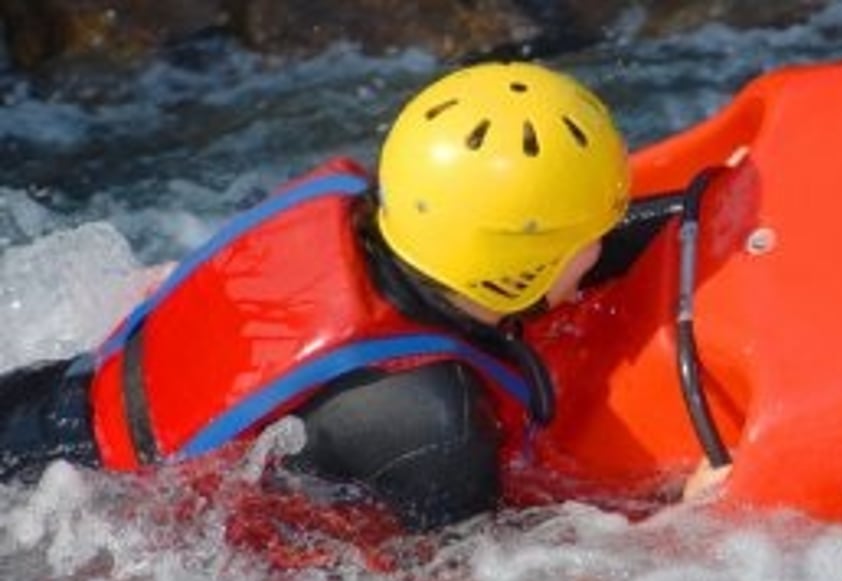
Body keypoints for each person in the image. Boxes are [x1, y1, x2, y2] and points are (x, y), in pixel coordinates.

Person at [0, 61, 680, 533]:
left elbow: (551, 249)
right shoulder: (432, 418)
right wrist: (673, 510)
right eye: (590, 236)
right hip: (75, 520)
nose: (603, 244)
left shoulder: (355, 215)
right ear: (521, 269)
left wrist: (697, 205)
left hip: (45, 407)